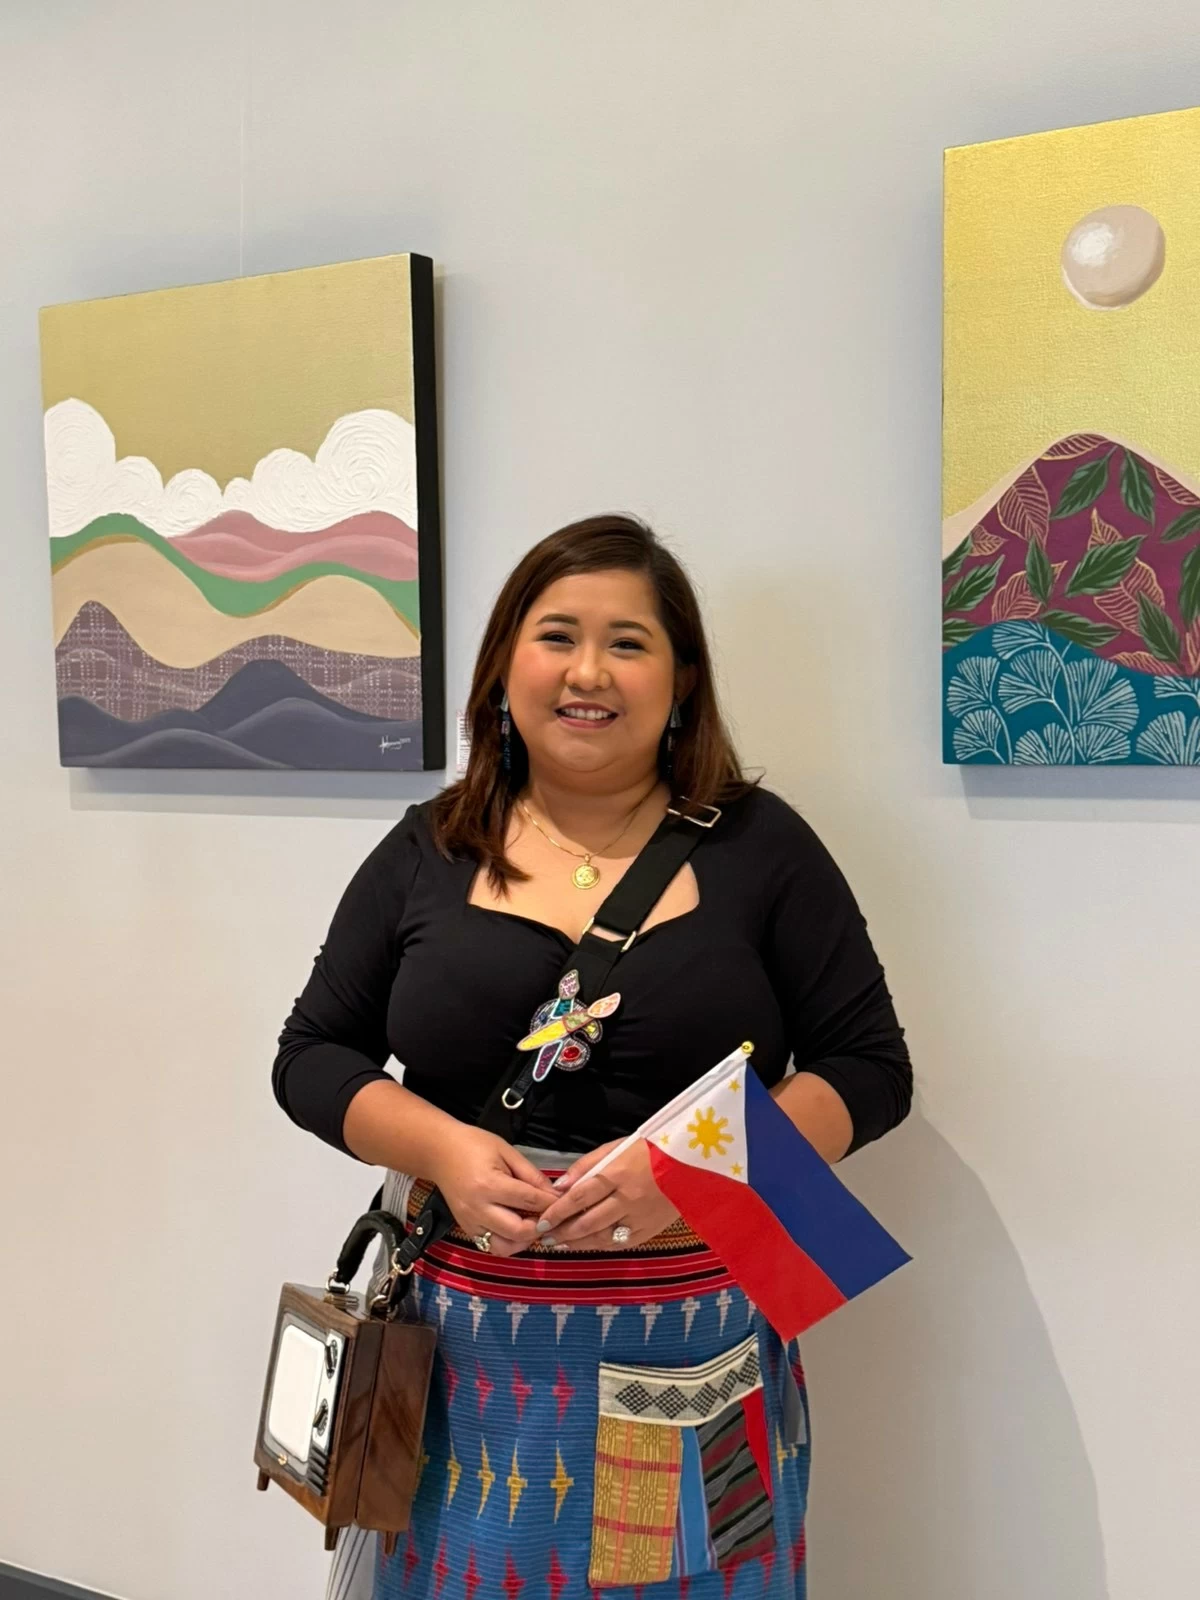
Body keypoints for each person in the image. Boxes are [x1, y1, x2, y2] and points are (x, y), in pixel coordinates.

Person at [273, 513, 911, 1600]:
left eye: (628, 642)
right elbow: (311, 1055)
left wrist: (689, 1169)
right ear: (503, 666)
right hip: (459, 1355)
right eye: (557, 635)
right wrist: (444, 1150)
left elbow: (869, 1068)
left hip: (698, 1341)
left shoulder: (764, 848)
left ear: (681, 679)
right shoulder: (427, 848)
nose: (588, 672)